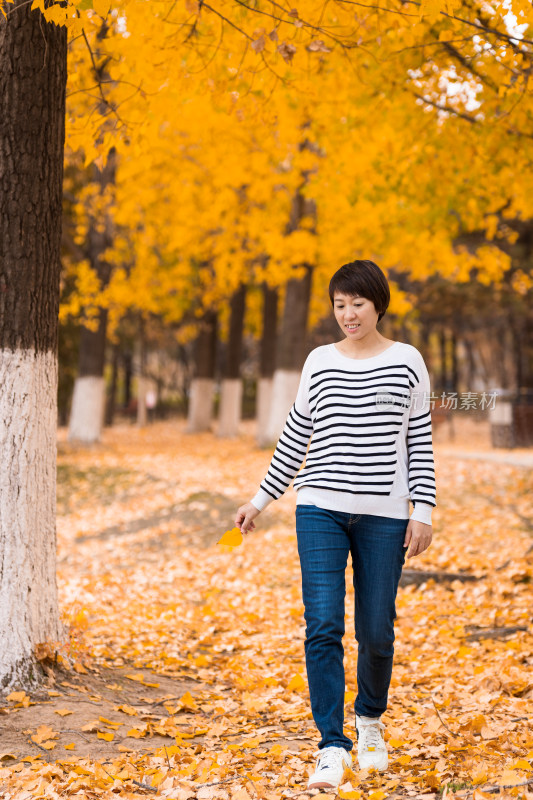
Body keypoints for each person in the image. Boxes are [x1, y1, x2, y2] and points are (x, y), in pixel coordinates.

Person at [235, 260, 436, 790]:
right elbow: (296, 434)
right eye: (339, 304)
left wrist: (424, 511)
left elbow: (420, 441)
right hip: (319, 509)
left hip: (386, 516)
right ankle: (331, 745)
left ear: (378, 306)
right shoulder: (319, 362)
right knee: (323, 625)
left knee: (376, 630)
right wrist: (260, 500)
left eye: (358, 304)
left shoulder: (407, 361)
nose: (347, 314)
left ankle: (369, 722)